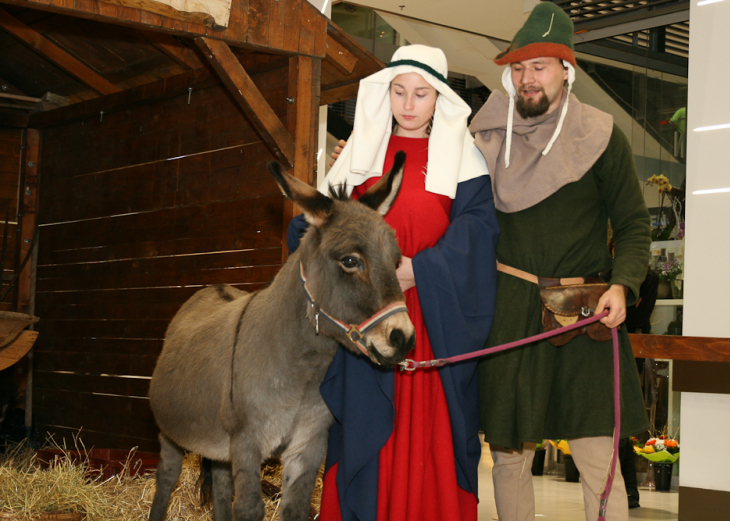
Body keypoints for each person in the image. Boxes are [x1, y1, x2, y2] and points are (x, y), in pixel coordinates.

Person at [288, 44, 499, 521]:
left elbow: (477, 235)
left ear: (439, 99)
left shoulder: (464, 159)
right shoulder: (362, 154)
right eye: (398, 91)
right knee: (366, 425)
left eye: (421, 94)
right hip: (368, 317)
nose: (408, 104)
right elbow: (314, 228)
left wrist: (418, 271)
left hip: (432, 316)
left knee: (430, 434)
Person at [468, 3, 651, 521]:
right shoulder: (484, 137)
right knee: (508, 459)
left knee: (598, 459)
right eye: (519, 68)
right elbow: (446, 202)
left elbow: (635, 226)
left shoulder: (602, 135)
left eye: (540, 66)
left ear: (566, 71)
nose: (528, 78)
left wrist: (624, 285)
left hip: (587, 313)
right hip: (512, 313)